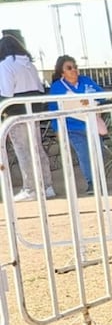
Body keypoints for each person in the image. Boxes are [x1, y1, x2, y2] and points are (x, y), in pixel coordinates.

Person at [0, 34, 54, 201]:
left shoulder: (5, 65)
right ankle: (47, 186)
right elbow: (39, 87)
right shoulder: (29, 64)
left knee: (23, 151)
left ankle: (30, 188)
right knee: (37, 148)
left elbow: (6, 92)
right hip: (33, 110)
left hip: (16, 112)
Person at [47, 55, 104, 194]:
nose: (74, 70)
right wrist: (57, 130)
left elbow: (102, 95)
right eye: (69, 68)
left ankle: (99, 180)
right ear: (62, 72)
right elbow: (53, 110)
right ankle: (92, 182)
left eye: (75, 67)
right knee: (84, 153)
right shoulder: (57, 87)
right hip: (72, 127)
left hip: (92, 124)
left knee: (98, 151)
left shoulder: (86, 81)